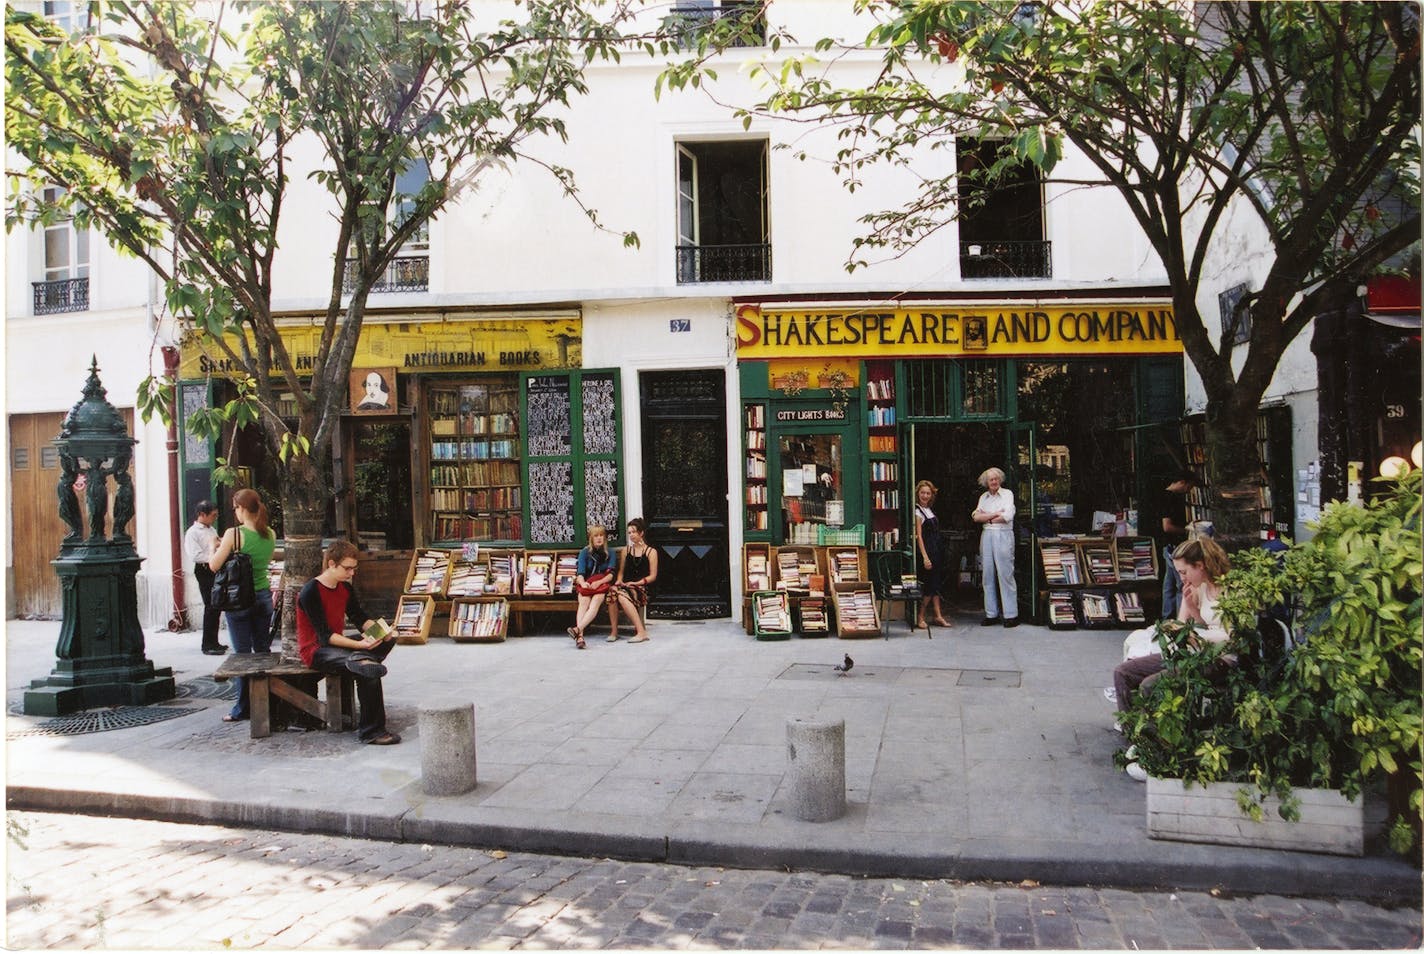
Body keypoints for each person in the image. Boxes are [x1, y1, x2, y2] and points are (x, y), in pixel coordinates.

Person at [1113, 536, 1234, 781]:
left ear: (1200, 565)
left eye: (1184, 571)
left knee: (1151, 685)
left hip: (1220, 659)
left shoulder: (1230, 589)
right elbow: (1186, 625)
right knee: (1123, 673)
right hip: (1194, 651)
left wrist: (1194, 633)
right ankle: (1137, 741)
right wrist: (1190, 607)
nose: (1182, 578)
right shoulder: (1198, 587)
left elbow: (1231, 637)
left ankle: (1158, 753)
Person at [296, 540, 400, 745]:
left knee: (388, 641)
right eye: (348, 568)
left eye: (354, 569)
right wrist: (361, 645)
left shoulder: (345, 588)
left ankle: (361, 659)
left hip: (337, 645)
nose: (352, 573)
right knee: (368, 669)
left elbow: (359, 617)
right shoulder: (311, 591)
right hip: (316, 650)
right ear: (332, 564)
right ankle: (372, 732)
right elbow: (325, 636)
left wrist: (383, 631)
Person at [209, 488, 278, 722]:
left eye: (235, 508)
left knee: (241, 656)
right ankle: (267, 701)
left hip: (240, 600)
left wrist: (213, 546)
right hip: (263, 596)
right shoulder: (270, 533)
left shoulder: (233, 534)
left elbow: (214, 565)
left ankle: (242, 707)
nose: (235, 513)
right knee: (262, 651)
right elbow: (264, 562)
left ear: (241, 508)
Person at [971, 466, 1018, 627]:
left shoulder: (1007, 494)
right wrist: (993, 515)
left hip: (1003, 535)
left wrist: (986, 517)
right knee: (987, 574)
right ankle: (991, 614)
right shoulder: (983, 497)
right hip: (987, 535)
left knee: (1005, 573)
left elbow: (1007, 516)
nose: (994, 482)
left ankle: (1011, 614)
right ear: (986, 482)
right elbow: (976, 517)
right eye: (991, 479)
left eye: (996, 479)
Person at [184, 500, 228, 655]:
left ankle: (214, 641)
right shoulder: (193, 532)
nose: (214, 518)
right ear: (202, 514)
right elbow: (195, 555)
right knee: (210, 605)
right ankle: (207, 644)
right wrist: (213, 556)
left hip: (214, 568)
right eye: (213, 515)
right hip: (204, 569)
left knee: (216, 605)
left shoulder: (211, 529)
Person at [608, 517, 659, 643]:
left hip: (642, 587)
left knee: (619, 595)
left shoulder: (651, 552)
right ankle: (614, 631)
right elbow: (621, 572)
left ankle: (641, 632)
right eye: (629, 532)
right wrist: (619, 581)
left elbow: (652, 576)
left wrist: (636, 583)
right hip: (625, 585)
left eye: (634, 532)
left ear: (641, 533)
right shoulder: (626, 550)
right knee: (612, 593)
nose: (631, 535)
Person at [567, 524, 614, 650]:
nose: (599, 538)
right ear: (591, 538)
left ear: (605, 538)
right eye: (596, 536)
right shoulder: (584, 552)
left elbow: (611, 575)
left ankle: (577, 630)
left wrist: (599, 582)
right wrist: (583, 583)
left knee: (595, 602)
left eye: (601, 535)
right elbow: (580, 573)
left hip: (601, 584)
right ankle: (580, 636)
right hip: (587, 584)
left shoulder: (610, 553)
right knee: (583, 602)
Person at [912, 480, 951, 628]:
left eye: (928, 493)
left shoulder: (929, 510)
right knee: (929, 585)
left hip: (936, 549)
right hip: (928, 551)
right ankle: (920, 616)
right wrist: (925, 557)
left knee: (936, 584)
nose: (925, 496)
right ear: (918, 494)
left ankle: (938, 615)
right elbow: (919, 536)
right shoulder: (918, 512)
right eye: (922, 493)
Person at [1159, 473, 1198, 619]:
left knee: (1168, 585)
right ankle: (1181, 620)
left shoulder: (1164, 496)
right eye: (1189, 486)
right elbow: (1167, 526)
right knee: (1182, 584)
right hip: (1174, 546)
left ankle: (1167, 618)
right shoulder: (1170, 499)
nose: (1188, 490)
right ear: (1182, 482)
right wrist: (1187, 529)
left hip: (1167, 546)